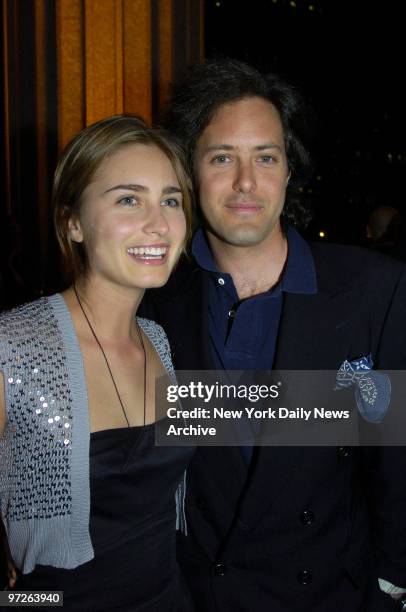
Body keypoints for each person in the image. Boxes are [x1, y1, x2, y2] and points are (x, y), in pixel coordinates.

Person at [140, 59, 406, 611]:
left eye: (265, 157)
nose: (245, 182)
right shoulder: (154, 302)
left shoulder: (373, 290)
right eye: (221, 158)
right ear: (189, 172)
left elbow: (396, 462)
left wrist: (390, 586)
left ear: (289, 171)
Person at [0, 115, 195, 611]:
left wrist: (360, 405)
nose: (159, 223)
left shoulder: (159, 341)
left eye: (170, 200)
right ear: (73, 222)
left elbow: (274, 412)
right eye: (129, 199)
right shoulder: (13, 347)